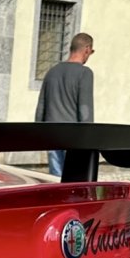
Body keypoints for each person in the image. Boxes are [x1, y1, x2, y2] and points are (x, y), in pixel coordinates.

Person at [34, 32, 95, 177]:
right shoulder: (85, 73)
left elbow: (41, 106)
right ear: (87, 49)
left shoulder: (52, 72)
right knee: (74, 178)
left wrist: (37, 132)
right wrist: (89, 138)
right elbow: (85, 109)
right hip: (74, 137)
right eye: (91, 52)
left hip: (52, 134)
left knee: (56, 177)